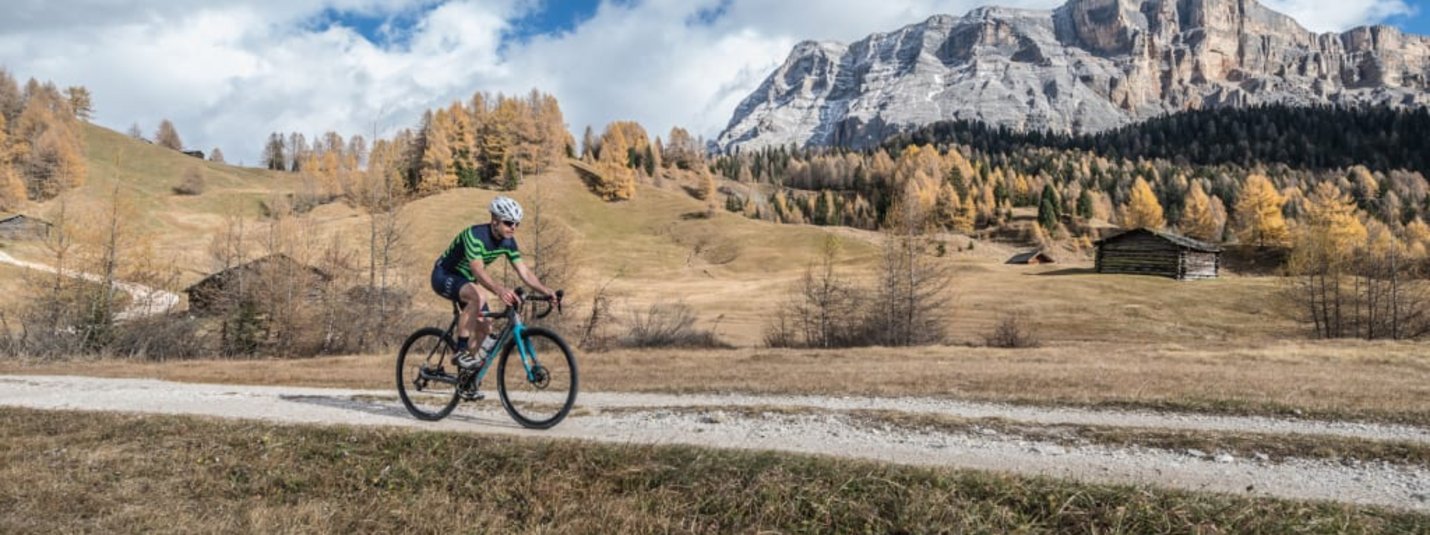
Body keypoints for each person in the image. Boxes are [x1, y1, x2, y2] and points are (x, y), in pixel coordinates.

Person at [431, 195, 559, 375]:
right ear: (494, 220)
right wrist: (499, 290)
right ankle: (460, 351)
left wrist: (546, 291)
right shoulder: (475, 236)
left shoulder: (508, 242)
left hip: (467, 281)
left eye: (516, 224)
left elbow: (524, 272)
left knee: (486, 328)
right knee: (479, 296)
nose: (513, 227)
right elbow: (477, 270)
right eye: (508, 223)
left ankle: (465, 378)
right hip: (444, 275)